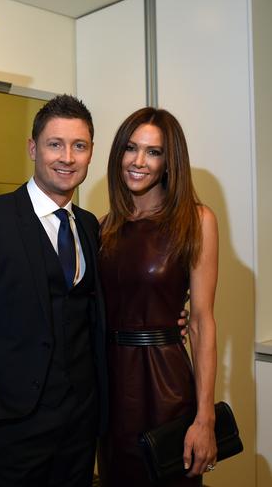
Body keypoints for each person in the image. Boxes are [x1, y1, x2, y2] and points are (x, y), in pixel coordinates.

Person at [0, 94, 107, 486]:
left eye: (78, 146)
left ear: (90, 153)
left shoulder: (89, 226)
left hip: (79, 428)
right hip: (10, 429)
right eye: (55, 144)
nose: (67, 157)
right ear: (33, 148)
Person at [97, 107, 218, 486]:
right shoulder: (103, 227)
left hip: (166, 387)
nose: (138, 161)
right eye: (130, 149)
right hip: (111, 388)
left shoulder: (196, 221)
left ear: (170, 162)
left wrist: (205, 418)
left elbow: (200, 322)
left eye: (153, 152)